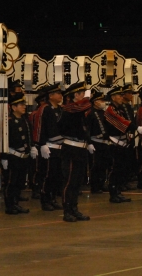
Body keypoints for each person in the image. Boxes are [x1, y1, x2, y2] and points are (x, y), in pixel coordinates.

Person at [104, 86, 142, 203]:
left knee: (122, 168)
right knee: (115, 168)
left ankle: (118, 191)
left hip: (123, 142)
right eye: (119, 95)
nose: (121, 97)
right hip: (114, 143)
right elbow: (120, 121)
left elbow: (126, 120)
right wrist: (136, 127)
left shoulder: (121, 109)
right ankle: (113, 192)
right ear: (113, 97)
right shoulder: (110, 110)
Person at [58, 82, 93, 222]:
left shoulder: (78, 110)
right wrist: (88, 98)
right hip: (71, 149)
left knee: (78, 182)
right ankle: (67, 210)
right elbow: (84, 106)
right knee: (70, 181)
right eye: (81, 94)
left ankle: (74, 208)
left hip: (80, 149)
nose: (84, 96)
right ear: (75, 95)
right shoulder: (69, 108)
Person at [33, 83, 65, 211]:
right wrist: (41, 144)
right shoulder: (44, 108)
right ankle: (45, 200)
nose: (60, 96)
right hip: (48, 146)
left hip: (59, 147)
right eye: (58, 93)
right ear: (51, 96)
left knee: (57, 175)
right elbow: (39, 127)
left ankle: (52, 198)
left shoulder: (60, 109)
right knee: (47, 175)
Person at [1, 90, 32, 215]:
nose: (24, 106)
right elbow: (3, 140)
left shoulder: (25, 120)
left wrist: (31, 147)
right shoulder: (8, 121)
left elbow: (28, 135)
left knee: (19, 182)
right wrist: (4, 157)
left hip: (23, 156)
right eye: (21, 105)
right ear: (13, 107)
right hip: (12, 155)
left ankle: (16, 203)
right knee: (11, 182)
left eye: (24, 104)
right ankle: (10, 205)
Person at [87, 89, 112, 194]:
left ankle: (101, 183)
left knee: (104, 165)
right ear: (95, 101)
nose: (103, 102)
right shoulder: (90, 113)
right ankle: (95, 186)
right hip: (95, 142)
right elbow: (87, 129)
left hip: (105, 142)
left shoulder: (104, 113)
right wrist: (89, 143)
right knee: (95, 166)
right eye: (100, 100)